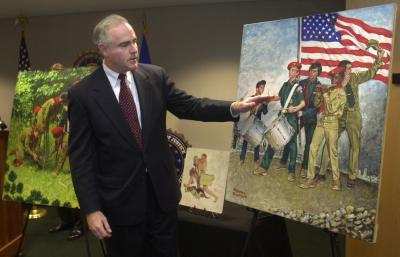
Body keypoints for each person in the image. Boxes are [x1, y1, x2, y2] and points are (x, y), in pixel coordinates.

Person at [68, 14, 269, 257]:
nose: (133, 49)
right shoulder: (83, 95)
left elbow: (192, 106)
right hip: (119, 207)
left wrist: (234, 108)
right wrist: (91, 209)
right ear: (103, 49)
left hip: (161, 198)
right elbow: (81, 159)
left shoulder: (154, 77)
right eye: (124, 45)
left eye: (133, 41)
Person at [298, 66, 347, 190]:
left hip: (332, 124)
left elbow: (331, 110)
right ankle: (310, 178)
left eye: (336, 77)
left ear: (341, 78)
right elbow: (316, 104)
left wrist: (325, 93)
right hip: (322, 122)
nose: (333, 80)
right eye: (332, 77)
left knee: (332, 152)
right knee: (313, 148)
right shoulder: (329, 89)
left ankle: (336, 180)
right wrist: (319, 93)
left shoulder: (341, 93)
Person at [260, 61, 305, 181]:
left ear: (297, 73)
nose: (292, 72)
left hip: (292, 118)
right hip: (282, 115)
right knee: (274, 140)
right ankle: (264, 167)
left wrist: (295, 108)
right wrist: (269, 99)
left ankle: (291, 172)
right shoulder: (285, 85)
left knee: (292, 145)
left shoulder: (298, 87)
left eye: (294, 70)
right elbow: (279, 97)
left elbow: (303, 103)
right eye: (290, 70)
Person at [297, 62, 322, 178]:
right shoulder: (301, 83)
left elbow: (317, 107)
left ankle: (304, 167)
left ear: (318, 73)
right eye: (311, 70)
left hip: (311, 119)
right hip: (298, 115)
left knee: (308, 144)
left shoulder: (320, 87)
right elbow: (296, 98)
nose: (312, 73)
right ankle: (283, 162)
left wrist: (304, 112)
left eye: (315, 71)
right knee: (291, 137)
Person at [239, 80, 267, 166]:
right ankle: (242, 159)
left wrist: (265, 104)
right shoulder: (251, 98)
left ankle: (256, 159)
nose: (263, 89)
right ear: (257, 88)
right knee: (246, 140)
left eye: (263, 88)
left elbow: (265, 112)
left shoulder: (263, 100)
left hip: (257, 122)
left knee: (257, 140)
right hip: (249, 120)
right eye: (261, 87)